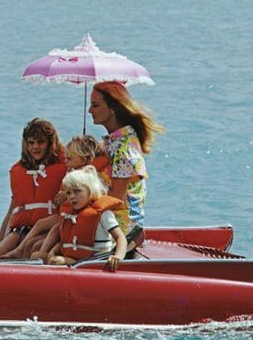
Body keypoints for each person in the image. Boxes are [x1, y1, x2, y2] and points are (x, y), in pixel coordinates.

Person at [10, 133, 109, 260]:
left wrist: (66, 197)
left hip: (76, 215)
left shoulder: (88, 177)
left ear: (83, 160)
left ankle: (40, 253)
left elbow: (89, 197)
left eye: (69, 159)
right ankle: (21, 254)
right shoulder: (73, 173)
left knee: (46, 232)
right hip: (66, 213)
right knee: (38, 229)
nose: (65, 162)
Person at [88, 81, 163, 228]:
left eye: (95, 105)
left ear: (113, 109)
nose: (90, 110)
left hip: (122, 225)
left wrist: (82, 197)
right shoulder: (114, 141)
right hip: (108, 217)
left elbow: (116, 198)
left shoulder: (123, 148)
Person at [0, 118, 65, 259]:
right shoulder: (19, 171)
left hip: (46, 229)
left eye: (40, 142)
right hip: (20, 230)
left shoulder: (63, 168)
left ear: (50, 144)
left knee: (30, 250)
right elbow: (11, 211)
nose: (35, 147)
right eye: (31, 143)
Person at [45, 165, 128, 271]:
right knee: (37, 256)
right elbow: (66, 240)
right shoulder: (70, 215)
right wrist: (53, 251)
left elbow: (120, 238)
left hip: (94, 262)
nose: (72, 196)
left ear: (90, 190)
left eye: (77, 191)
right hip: (75, 259)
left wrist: (118, 257)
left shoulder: (103, 214)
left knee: (56, 261)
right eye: (69, 193)